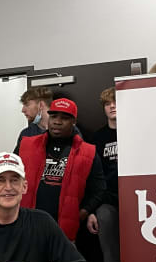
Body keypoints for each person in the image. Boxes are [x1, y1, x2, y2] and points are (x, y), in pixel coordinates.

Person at [18, 98, 105, 241]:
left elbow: (99, 189)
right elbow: (12, 178)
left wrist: (82, 213)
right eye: (53, 116)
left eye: (64, 118)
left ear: (74, 122)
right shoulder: (26, 145)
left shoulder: (88, 152)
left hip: (65, 232)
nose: (57, 122)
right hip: (28, 227)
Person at [87, 87, 120, 262]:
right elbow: (90, 178)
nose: (112, 106)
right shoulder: (97, 138)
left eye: (116, 102)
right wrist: (90, 210)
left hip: (137, 199)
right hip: (106, 202)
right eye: (108, 104)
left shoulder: (136, 131)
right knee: (110, 255)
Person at [13, 87, 53, 152]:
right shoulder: (26, 134)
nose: (23, 110)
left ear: (41, 105)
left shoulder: (65, 131)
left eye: (27, 105)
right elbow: (17, 160)